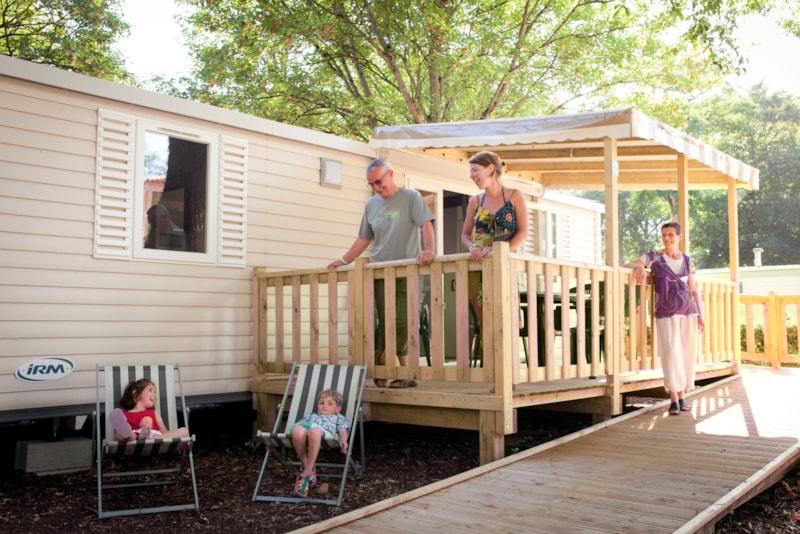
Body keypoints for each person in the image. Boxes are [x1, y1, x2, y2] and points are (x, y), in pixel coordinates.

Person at [327, 159, 435, 388]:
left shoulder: (411, 198)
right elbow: (365, 237)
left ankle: (382, 358)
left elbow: (425, 225)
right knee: (387, 320)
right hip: (379, 271)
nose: (376, 187)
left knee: (405, 320)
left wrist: (428, 249)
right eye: (371, 184)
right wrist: (345, 259)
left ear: (391, 174)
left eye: (378, 181)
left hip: (408, 270)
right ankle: (397, 371)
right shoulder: (371, 206)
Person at [460, 151, 528, 390]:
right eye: (470, 171)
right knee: (486, 324)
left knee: (505, 321)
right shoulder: (474, 202)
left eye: (474, 170)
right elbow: (465, 235)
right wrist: (472, 249)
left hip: (504, 267)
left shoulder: (514, 196)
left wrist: (503, 251)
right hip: (478, 271)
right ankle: (494, 378)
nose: (472, 176)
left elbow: (522, 232)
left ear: (491, 169)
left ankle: (509, 377)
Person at [624, 222, 705, 416]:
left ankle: (683, 395)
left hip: (688, 311)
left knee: (686, 353)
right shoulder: (655, 257)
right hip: (666, 312)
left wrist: (701, 315)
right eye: (664, 235)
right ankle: (673, 399)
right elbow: (627, 264)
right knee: (671, 353)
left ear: (679, 237)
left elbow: (694, 289)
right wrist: (640, 267)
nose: (667, 238)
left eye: (671, 235)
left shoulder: (687, 260)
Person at [289, 389, 350, 498]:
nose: (324, 405)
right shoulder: (312, 416)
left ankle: (307, 471)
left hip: (323, 432)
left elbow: (343, 431)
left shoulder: (338, 418)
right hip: (308, 429)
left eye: (330, 403)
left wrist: (344, 441)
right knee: (297, 430)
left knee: (315, 431)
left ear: (338, 409)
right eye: (322, 403)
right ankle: (308, 469)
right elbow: (299, 425)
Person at [108, 378, 190, 441]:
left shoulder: (153, 413)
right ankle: (127, 433)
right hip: (134, 437)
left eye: (154, 392)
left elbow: (164, 431)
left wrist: (176, 433)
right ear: (135, 393)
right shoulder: (124, 414)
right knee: (126, 434)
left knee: (184, 431)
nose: (154, 395)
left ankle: (151, 438)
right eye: (150, 390)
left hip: (154, 436)